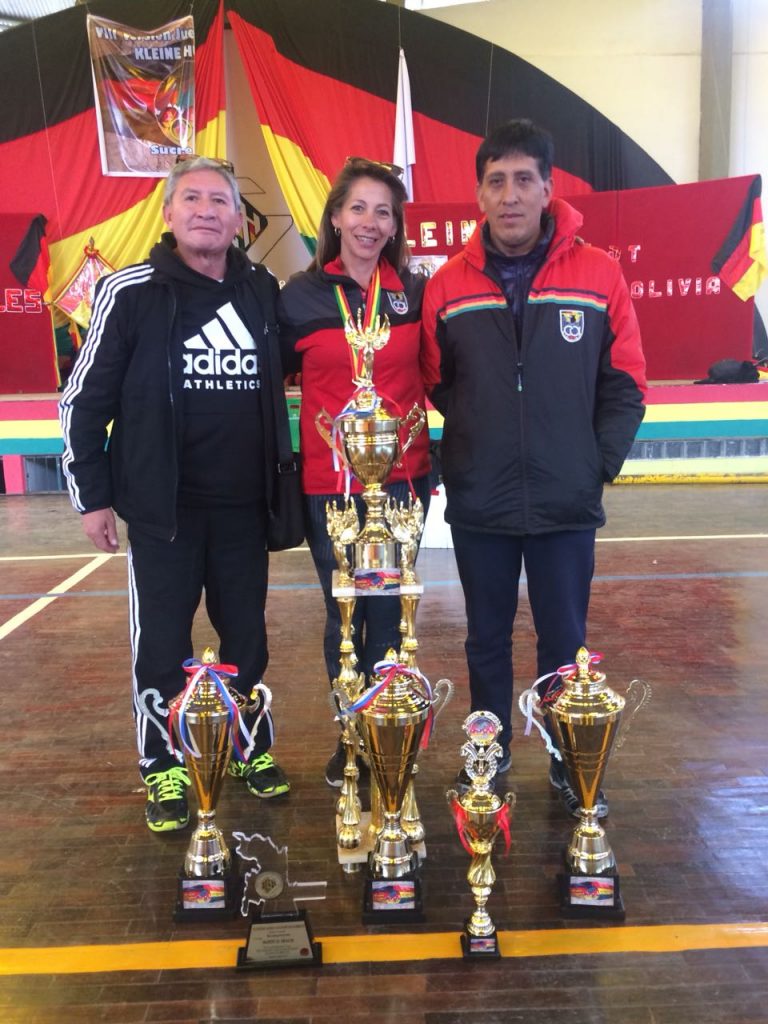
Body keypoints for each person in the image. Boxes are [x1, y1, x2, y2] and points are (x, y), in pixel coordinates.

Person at [60, 156, 291, 833]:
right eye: (191, 198)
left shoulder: (261, 289)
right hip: (164, 512)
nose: (206, 211)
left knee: (247, 638)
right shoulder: (129, 291)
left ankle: (247, 744)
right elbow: (83, 401)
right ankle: (162, 763)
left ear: (239, 219)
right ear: (168, 213)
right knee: (161, 644)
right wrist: (92, 497)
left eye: (220, 200)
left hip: (244, 508)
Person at [422, 119, 646, 814]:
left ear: (549, 189)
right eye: (496, 181)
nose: (510, 195)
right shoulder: (447, 285)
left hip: (564, 499)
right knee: (485, 641)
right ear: (479, 194)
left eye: (524, 180)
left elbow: (626, 383)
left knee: (566, 644)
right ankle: (487, 761)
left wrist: (592, 463)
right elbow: (439, 381)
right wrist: (477, 443)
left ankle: (565, 759)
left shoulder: (599, 273)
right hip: (482, 500)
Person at [278, 157, 439, 787]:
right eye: (358, 208)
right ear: (336, 218)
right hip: (331, 489)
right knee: (345, 613)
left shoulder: (415, 293)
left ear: (395, 225)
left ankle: (387, 732)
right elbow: (265, 383)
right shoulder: (299, 297)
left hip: (402, 485)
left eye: (384, 212)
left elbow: (443, 373)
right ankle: (350, 736)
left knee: (392, 612)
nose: (370, 222)